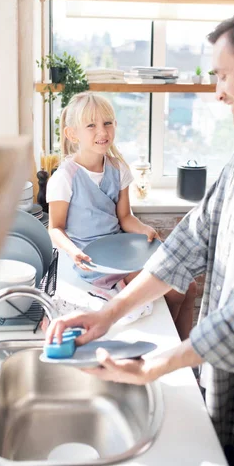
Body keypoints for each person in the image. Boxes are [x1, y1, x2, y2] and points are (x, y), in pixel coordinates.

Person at [47, 3, 234, 466]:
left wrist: (155, 366)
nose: (216, 92)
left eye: (223, 75)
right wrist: (110, 315)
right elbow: (191, 240)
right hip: (221, 387)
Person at [46, 91, 197, 340]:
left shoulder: (118, 169)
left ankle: (181, 350)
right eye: (91, 125)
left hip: (121, 252)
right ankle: (169, 343)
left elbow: (125, 217)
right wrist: (74, 252)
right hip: (92, 260)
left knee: (189, 286)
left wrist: (143, 229)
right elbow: (55, 228)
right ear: (72, 134)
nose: (102, 131)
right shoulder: (64, 177)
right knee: (176, 287)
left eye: (107, 123)